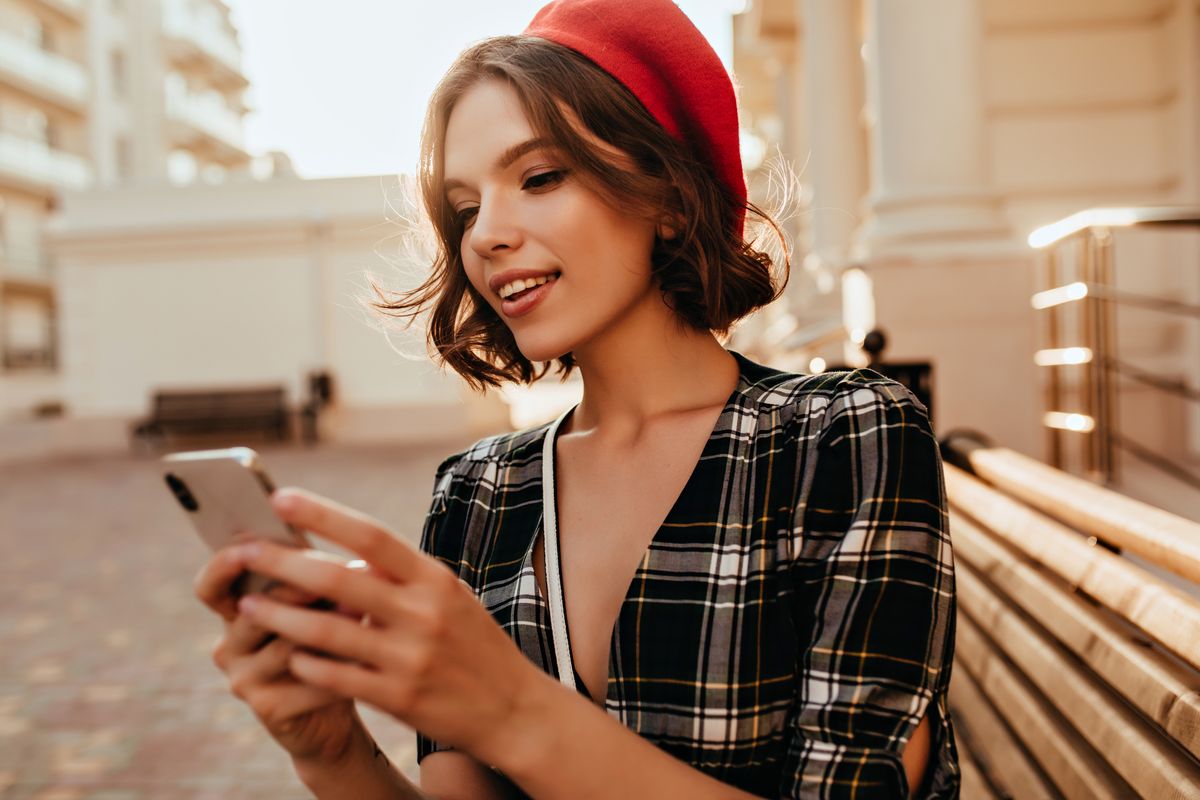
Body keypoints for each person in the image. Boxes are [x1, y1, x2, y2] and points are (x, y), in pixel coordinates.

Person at [193, 0, 960, 797]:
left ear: (665, 193)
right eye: (465, 208)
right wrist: (330, 750)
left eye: (539, 177)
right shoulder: (477, 492)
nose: (487, 233)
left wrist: (514, 712)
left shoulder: (840, 438)